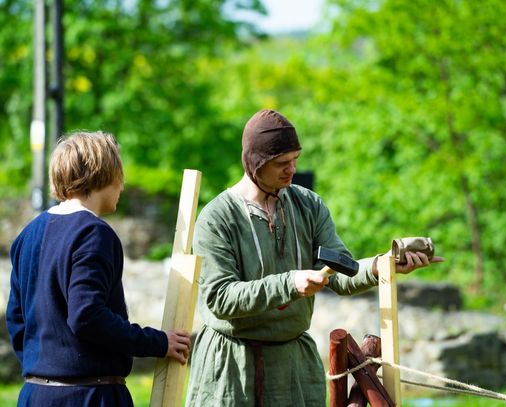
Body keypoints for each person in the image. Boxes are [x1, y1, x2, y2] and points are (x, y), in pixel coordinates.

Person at [185, 109, 444, 406]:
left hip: (293, 364)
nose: (292, 169)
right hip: (233, 367)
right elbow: (219, 298)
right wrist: (290, 283)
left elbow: (340, 271)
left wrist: (380, 266)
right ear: (254, 163)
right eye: (282, 163)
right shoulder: (217, 218)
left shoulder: (308, 205)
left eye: (295, 159)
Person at [6, 131, 191, 406]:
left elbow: (16, 319)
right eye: (120, 176)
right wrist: (158, 342)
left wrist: (45, 368)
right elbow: (87, 316)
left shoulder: (28, 234)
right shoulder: (93, 233)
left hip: (35, 395)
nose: (122, 186)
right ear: (103, 174)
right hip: (89, 396)